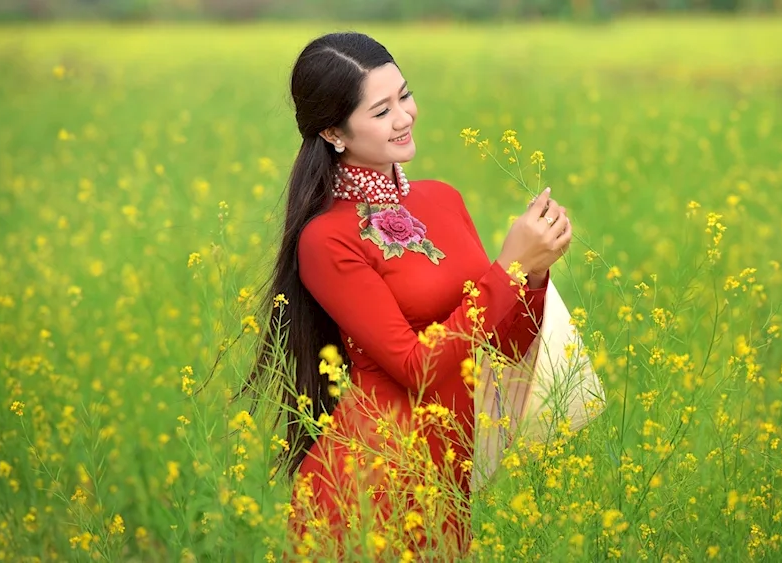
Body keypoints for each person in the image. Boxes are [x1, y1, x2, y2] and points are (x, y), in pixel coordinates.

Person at [241, 31, 572, 558]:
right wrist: (509, 265)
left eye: (405, 95)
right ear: (333, 130)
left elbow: (500, 349)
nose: (404, 117)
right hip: (369, 487)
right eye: (380, 111)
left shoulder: (444, 199)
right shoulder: (326, 239)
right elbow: (416, 368)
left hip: (447, 481)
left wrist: (532, 274)